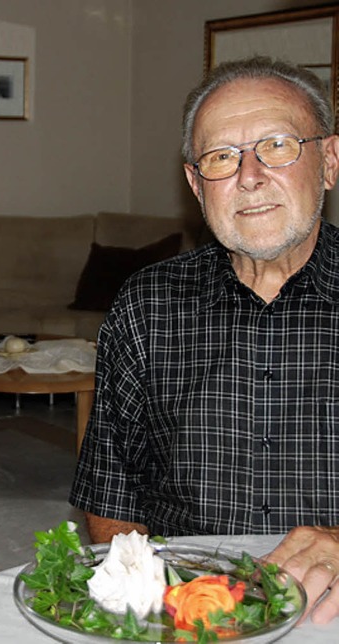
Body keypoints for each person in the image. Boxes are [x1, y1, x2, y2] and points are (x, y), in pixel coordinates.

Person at [70, 56, 339, 624]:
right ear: (196, 184)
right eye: (222, 158)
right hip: (193, 616)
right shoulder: (146, 306)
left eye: (277, 146)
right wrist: (149, 609)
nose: (249, 176)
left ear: (330, 160)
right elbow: (111, 502)